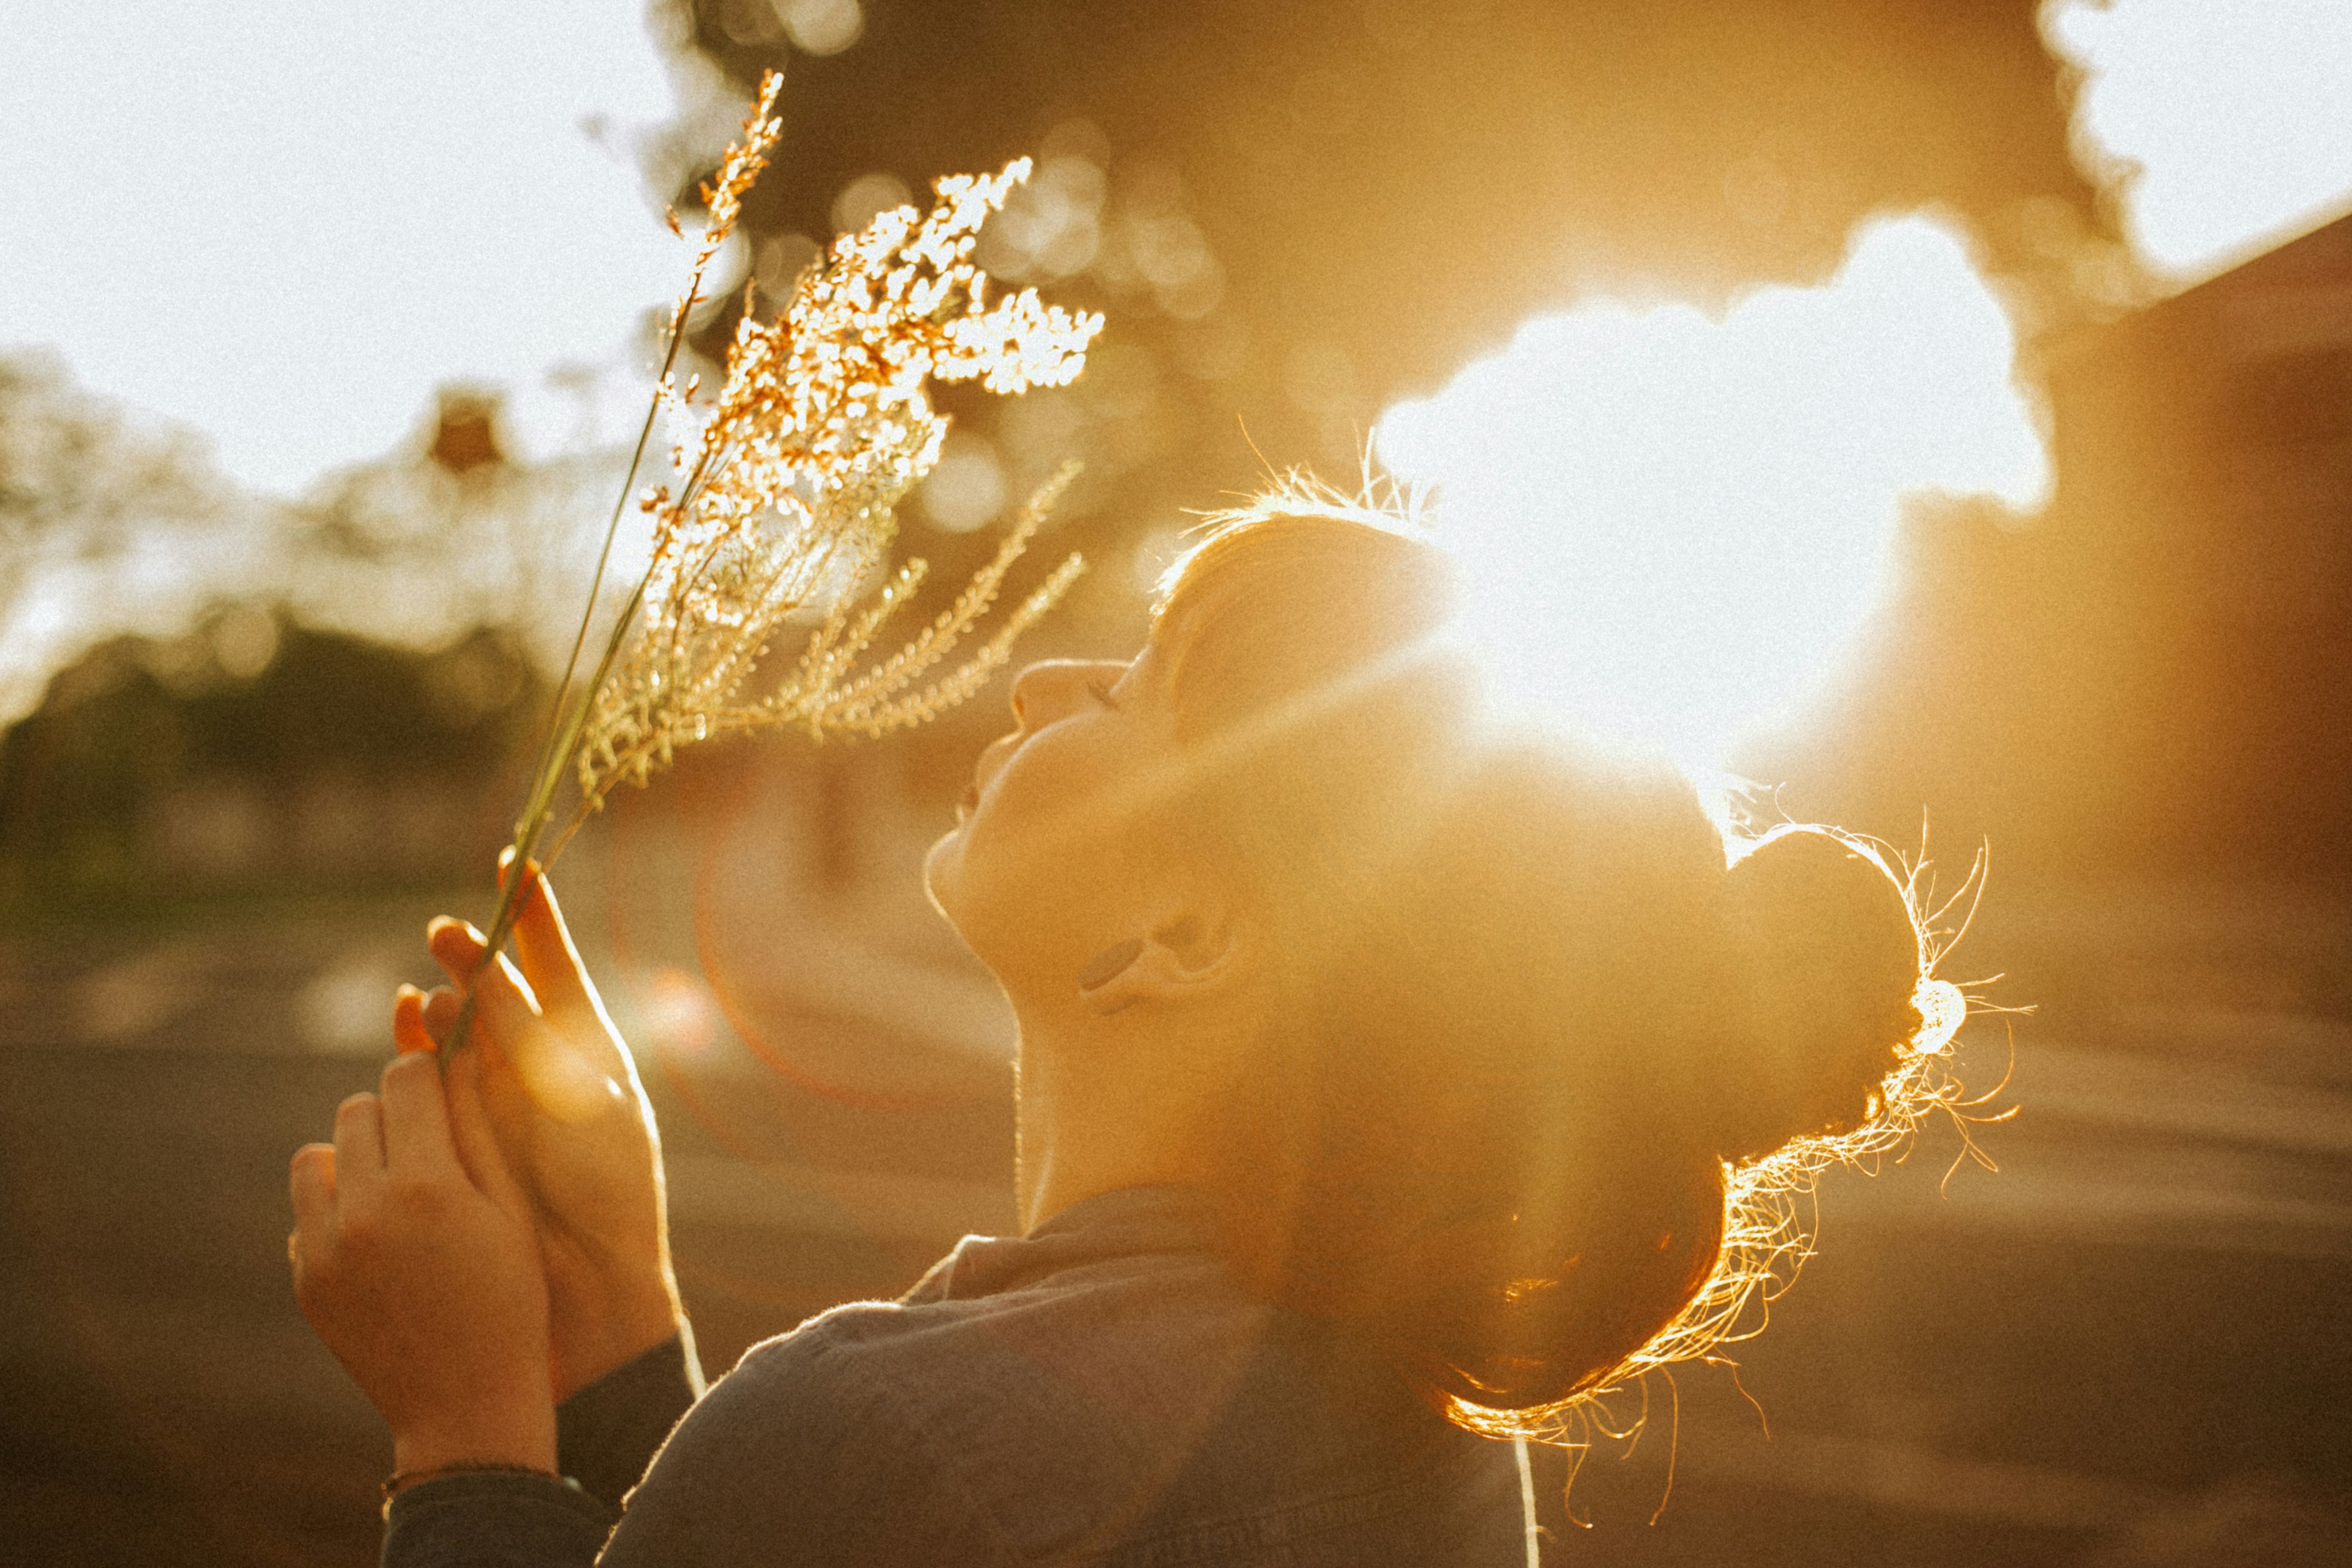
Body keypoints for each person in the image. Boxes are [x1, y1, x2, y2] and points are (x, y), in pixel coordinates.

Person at [287, 494, 1963, 1566]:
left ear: (1187, 933)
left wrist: (460, 1439)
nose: (1037, 685)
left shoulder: (880, 1437)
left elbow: (880, 1494)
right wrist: (621, 1329)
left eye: (1131, 688)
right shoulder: (1424, 1435)